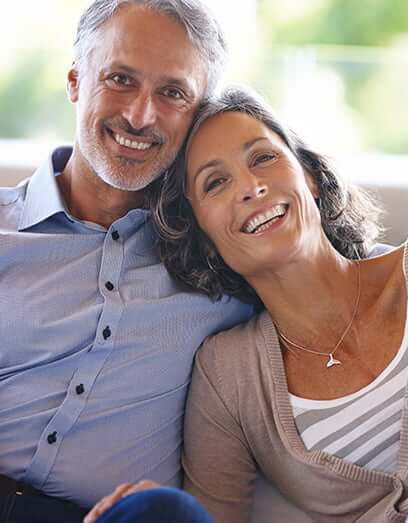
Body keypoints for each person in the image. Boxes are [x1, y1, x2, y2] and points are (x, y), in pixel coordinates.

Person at [85, 87, 408, 523]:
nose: (251, 187)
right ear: (202, 236)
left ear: (308, 176)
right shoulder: (227, 374)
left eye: (263, 158)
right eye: (216, 182)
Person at [0, 2, 252, 522]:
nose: (141, 116)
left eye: (173, 93)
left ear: (198, 114)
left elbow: (336, 269)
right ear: (75, 80)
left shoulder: (222, 258)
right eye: (120, 79)